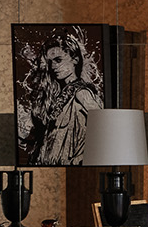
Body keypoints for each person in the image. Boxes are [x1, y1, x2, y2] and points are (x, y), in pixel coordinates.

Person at [17, 32, 103, 165]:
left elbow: (104, 131)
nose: (53, 67)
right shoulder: (54, 95)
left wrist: (79, 159)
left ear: (74, 59)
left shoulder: (82, 93)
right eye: (50, 62)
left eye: (58, 60)